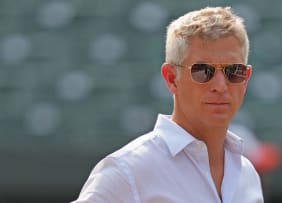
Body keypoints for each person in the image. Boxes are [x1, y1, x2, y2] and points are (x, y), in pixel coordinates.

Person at [73, 6, 263, 203]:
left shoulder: (247, 175)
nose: (220, 85)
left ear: (246, 78)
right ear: (172, 78)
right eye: (203, 70)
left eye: (234, 71)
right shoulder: (128, 170)